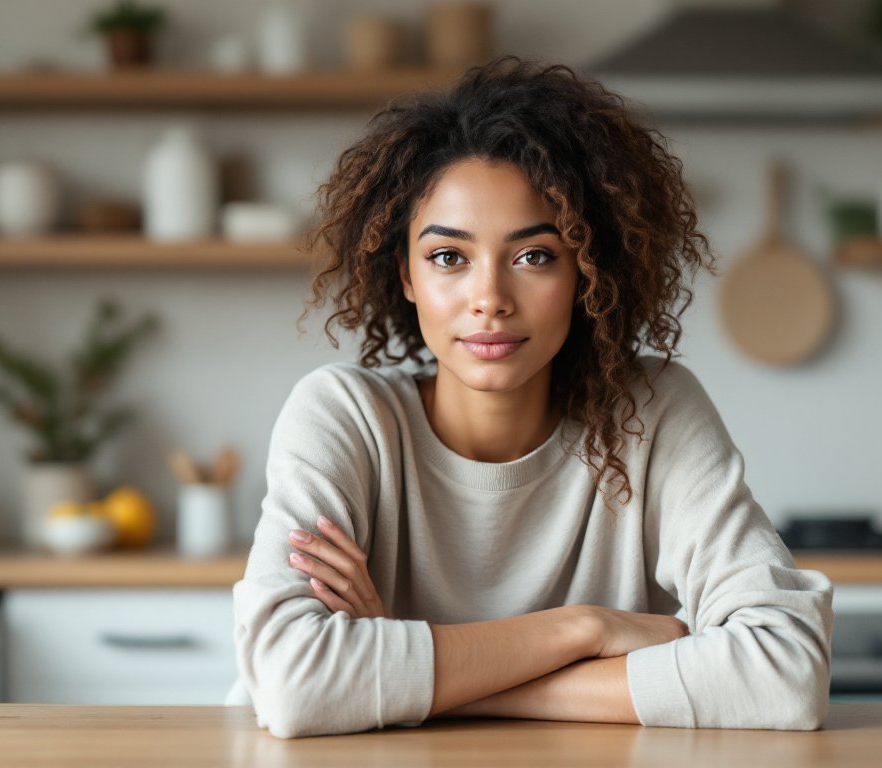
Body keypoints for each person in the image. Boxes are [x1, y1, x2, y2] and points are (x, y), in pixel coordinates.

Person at [229, 57, 833, 739]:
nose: (489, 298)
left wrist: (416, 671)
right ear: (404, 274)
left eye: (534, 256)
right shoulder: (345, 416)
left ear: (586, 270)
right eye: (448, 257)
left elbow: (785, 674)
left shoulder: (655, 409)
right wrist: (584, 629)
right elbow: (294, 684)